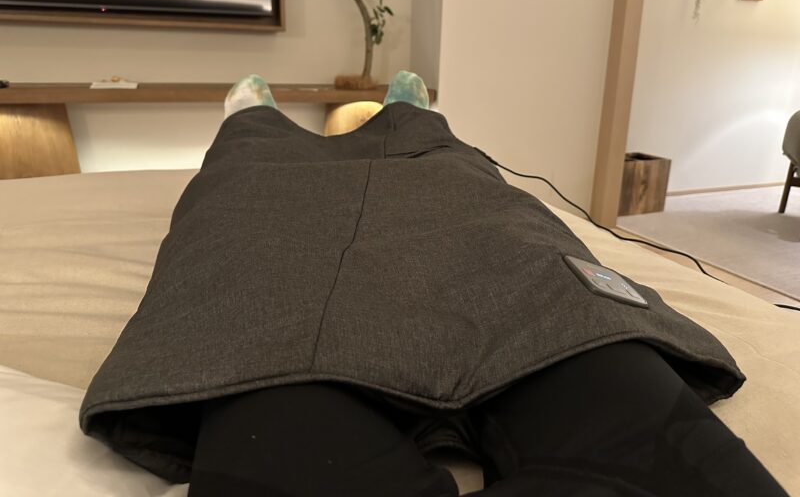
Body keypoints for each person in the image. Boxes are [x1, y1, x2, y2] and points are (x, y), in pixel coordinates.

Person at [184, 72, 788, 497]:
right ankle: (252, 124)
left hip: (500, 269)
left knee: (461, 182)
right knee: (254, 182)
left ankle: (405, 118)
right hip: (288, 279)